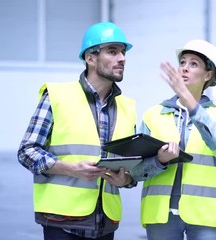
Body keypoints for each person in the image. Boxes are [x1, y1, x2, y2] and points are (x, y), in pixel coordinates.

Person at [17, 21, 137, 240]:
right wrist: (71, 169)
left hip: (105, 224)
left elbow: (131, 166)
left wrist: (126, 180)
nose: (122, 58)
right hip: (62, 223)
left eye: (122, 52)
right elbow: (27, 151)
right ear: (90, 58)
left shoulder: (127, 107)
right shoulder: (57, 96)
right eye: (112, 51)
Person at [130, 39, 216, 240]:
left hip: (204, 215)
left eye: (193, 64)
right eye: (183, 63)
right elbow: (135, 171)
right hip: (160, 215)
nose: (185, 69)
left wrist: (189, 102)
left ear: (208, 75)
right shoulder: (153, 114)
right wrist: (159, 161)